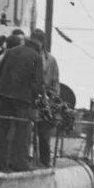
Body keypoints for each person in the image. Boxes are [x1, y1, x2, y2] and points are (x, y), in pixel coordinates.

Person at [0, 33, 45, 172]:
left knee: (1, 130)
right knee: (21, 132)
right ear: (41, 43)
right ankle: (19, 163)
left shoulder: (12, 52)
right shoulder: (36, 57)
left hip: (3, 97)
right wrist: (39, 97)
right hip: (22, 100)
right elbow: (37, 83)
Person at [32, 28, 61, 166]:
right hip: (30, 100)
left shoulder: (51, 61)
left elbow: (55, 82)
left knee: (44, 135)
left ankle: (45, 161)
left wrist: (51, 99)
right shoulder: (29, 56)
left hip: (45, 103)